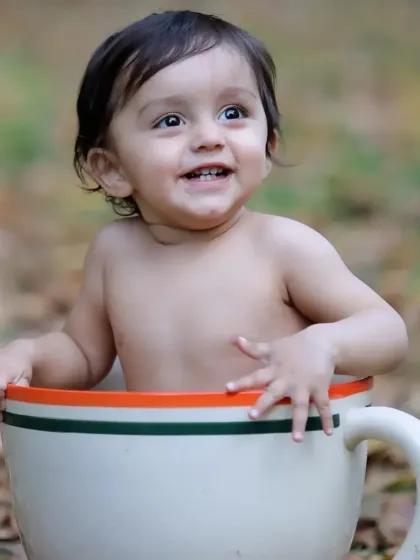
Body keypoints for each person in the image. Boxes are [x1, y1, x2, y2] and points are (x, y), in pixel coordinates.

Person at [0, 10, 408, 442]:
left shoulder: (282, 248)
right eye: (171, 121)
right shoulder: (115, 252)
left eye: (234, 112)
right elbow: (83, 355)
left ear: (267, 147)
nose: (210, 137)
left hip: (278, 469)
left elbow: (386, 330)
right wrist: (30, 354)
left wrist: (325, 344)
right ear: (112, 169)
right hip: (167, 473)